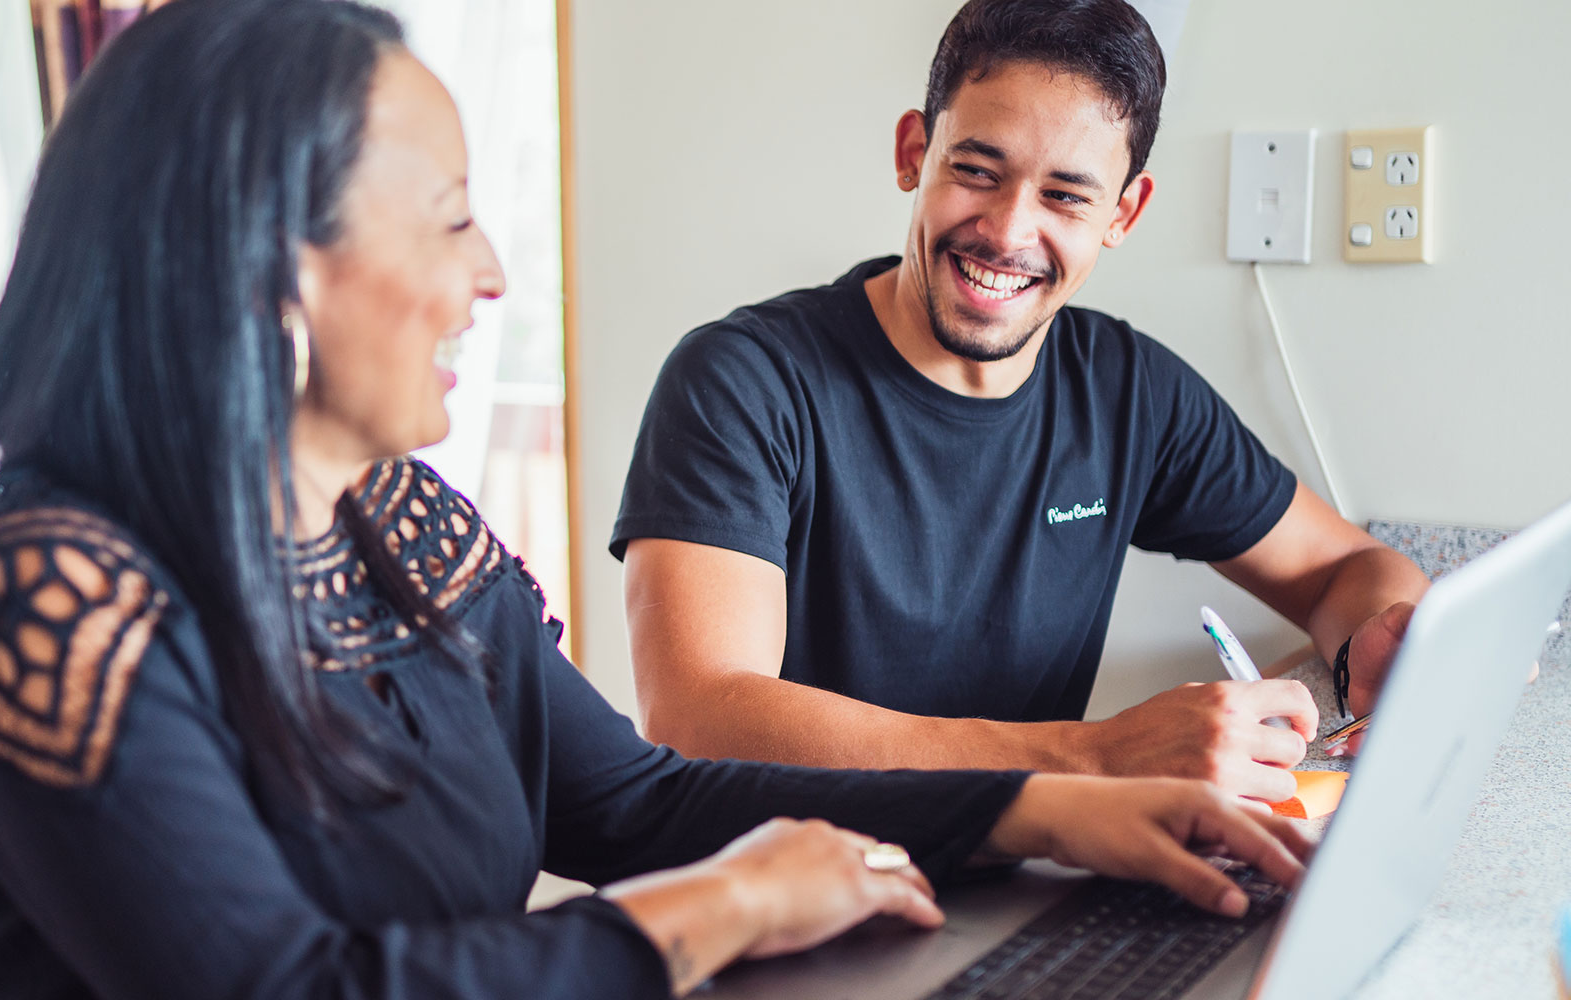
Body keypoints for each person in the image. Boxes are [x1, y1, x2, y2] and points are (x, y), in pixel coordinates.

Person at [0, 2, 1311, 996]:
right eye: (453, 215)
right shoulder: (45, 593)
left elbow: (631, 800)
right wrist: (723, 906)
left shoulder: (397, 525)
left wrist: (1039, 812)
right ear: (282, 267)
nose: (494, 276)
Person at [613, 0, 1430, 803]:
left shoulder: (1128, 392)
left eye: (1066, 195)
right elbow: (698, 716)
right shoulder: (740, 383)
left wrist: (1384, 641)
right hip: (784, 898)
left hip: (1022, 883)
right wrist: (1098, 759)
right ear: (913, 153)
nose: (1007, 231)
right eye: (977, 170)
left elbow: (1344, 569)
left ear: (1124, 213)